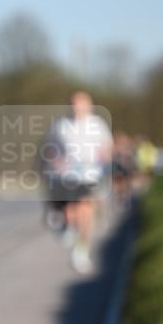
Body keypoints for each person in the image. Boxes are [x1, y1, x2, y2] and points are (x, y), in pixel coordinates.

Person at [44, 91, 112, 274]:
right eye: (74, 104)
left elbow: (107, 147)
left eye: (81, 104)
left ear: (89, 106)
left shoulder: (97, 125)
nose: (77, 108)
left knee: (86, 212)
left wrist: (105, 157)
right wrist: (56, 160)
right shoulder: (62, 126)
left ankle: (81, 251)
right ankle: (69, 228)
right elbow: (51, 148)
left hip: (90, 175)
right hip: (67, 176)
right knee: (71, 213)